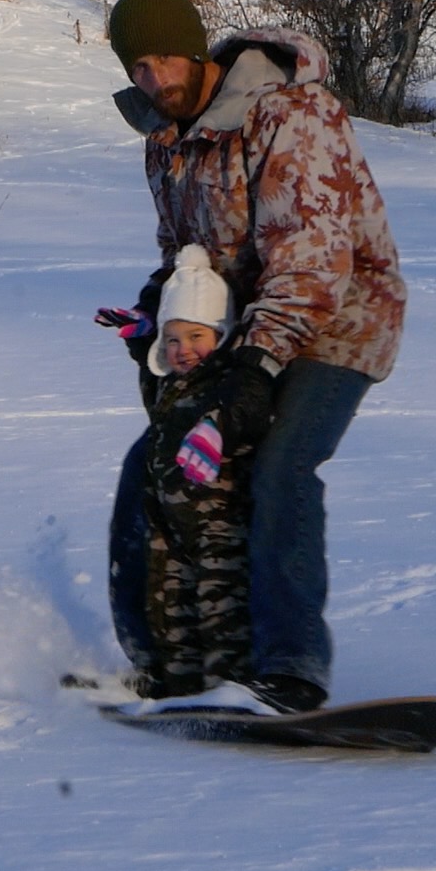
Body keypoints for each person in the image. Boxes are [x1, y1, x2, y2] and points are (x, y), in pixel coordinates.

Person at [97, 0, 406, 715]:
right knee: (156, 463)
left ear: (196, 49)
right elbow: (185, 251)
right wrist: (159, 305)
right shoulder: (165, 139)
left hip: (339, 320)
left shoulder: (290, 115)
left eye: (166, 59)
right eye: (137, 68)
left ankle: (291, 666)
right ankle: (166, 663)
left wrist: (258, 368)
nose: (155, 79)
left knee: (281, 465)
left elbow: (312, 259)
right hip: (243, 329)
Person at [96, 246, 257, 705]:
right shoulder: (166, 377)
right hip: (169, 520)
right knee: (169, 605)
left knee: (221, 604)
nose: (184, 349)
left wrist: (217, 425)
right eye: (172, 339)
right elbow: (152, 369)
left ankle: (230, 688)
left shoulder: (226, 379)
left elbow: (247, 408)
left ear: (222, 335)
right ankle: (179, 684)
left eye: (196, 336)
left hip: (218, 522)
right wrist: (138, 335)